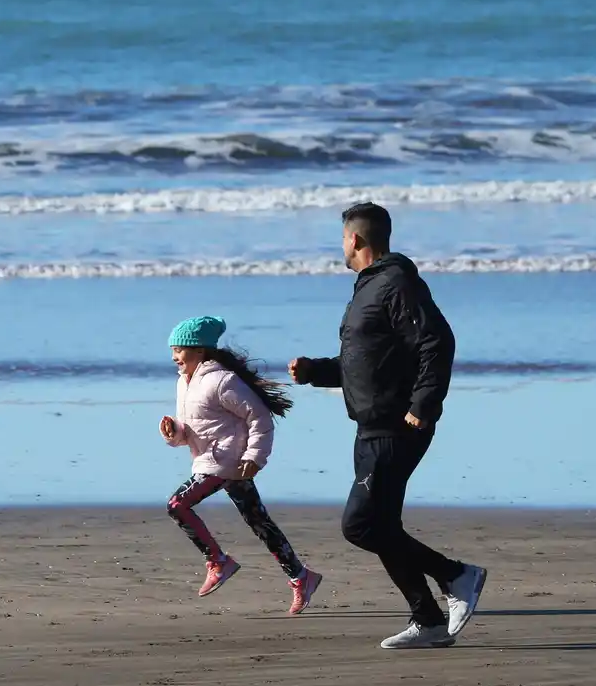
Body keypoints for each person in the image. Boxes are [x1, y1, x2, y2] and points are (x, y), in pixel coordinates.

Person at [288, 202, 487, 650]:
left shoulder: (396, 282)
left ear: (355, 239)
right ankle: (428, 620)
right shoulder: (369, 287)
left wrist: (424, 403)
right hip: (371, 425)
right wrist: (315, 371)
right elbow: (366, 362)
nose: (341, 246)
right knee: (383, 527)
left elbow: (437, 341)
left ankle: (457, 575)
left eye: (342, 238)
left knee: (360, 525)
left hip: (399, 425)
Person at [161, 314, 324, 615]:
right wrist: (175, 433)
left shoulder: (222, 381)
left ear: (200, 350)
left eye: (179, 349)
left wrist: (254, 457)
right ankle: (302, 577)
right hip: (214, 460)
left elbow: (259, 417)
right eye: (173, 350)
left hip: (227, 461)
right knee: (258, 521)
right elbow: (196, 429)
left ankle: (218, 561)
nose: (174, 356)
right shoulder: (184, 383)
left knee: (177, 505)